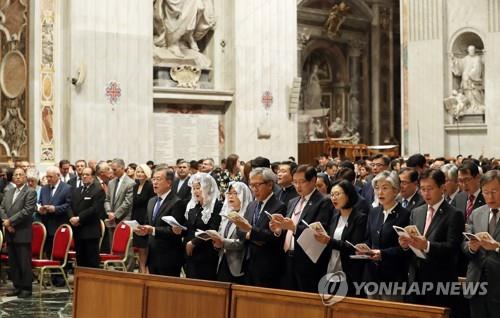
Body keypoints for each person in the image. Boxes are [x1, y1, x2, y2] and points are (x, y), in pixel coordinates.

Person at [398, 169, 464, 315]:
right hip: (416, 278)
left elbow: (452, 248)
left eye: (430, 189)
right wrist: (405, 245)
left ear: (442, 188)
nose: (426, 193)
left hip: (440, 280)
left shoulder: (454, 214)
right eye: (423, 189)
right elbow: (412, 247)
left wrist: (427, 245)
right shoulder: (417, 212)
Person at [270, 165, 334, 292]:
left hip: (308, 261)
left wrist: (294, 228)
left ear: (313, 181)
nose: (298, 186)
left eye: (302, 182)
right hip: (287, 257)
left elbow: (320, 232)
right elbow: (287, 229)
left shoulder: (323, 201)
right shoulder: (293, 201)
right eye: (295, 182)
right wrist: (278, 230)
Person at [232, 167, 286, 288]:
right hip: (247, 260)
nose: (254, 189)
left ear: (270, 184)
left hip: (267, 265)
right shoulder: (252, 205)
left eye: (257, 185)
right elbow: (239, 230)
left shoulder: (279, 206)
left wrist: (249, 230)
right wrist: (250, 233)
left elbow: (272, 237)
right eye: (251, 185)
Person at [313, 180, 366, 296]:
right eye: (331, 194)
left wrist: (329, 241)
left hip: (349, 272)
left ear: (348, 195)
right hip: (330, 269)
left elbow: (354, 247)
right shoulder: (335, 216)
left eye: (337, 194)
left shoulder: (360, 218)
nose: (333, 198)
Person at [363, 171, 410, 301]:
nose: (380, 192)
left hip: (393, 276)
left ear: (395, 191)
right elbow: (368, 239)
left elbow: (405, 248)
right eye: (377, 188)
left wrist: (383, 253)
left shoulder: (405, 215)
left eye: (385, 188)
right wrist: (364, 248)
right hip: (371, 275)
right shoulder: (374, 212)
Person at [135, 167, 187, 276]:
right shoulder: (152, 201)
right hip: (152, 254)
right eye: (153, 179)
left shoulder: (177, 202)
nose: (154, 182)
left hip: (169, 257)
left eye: (158, 179)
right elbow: (147, 223)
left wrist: (152, 230)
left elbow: (175, 231)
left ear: (169, 182)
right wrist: (142, 230)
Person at [463, 170, 500, 318]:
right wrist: (471, 247)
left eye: (495, 191)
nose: (490, 196)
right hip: (476, 284)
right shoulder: (476, 213)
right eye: (486, 192)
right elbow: (464, 244)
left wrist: (497, 246)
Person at [0, 168, 37, 298]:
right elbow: (2, 207)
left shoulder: (30, 192)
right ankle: (17, 286)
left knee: (23, 262)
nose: (18, 177)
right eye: (16, 175)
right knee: (13, 262)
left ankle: (26, 288)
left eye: (21, 175)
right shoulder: (8, 191)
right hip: (10, 231)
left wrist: (10, 222)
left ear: (25, 177)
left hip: (22, 231)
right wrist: (6, 221)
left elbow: (27, 211)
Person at [183, 173, 222, 280]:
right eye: (194, 188)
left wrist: (194, 242)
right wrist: (179, 229)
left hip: (206, 252)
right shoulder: (193, 205)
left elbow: (213, 229)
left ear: (207, 188)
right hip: (191, 253)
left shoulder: (217, 206)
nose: (195, 191)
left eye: (198, 188)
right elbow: (189, 226)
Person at [213, 182, 253, 283]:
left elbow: (243, 242)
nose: (231, 196)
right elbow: (221, 234)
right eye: (229, 193)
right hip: (222, 260)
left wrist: (223, 242)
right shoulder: (227, 214)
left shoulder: (246, 216)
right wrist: (216, 243)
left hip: (238, 265)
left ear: (242, 195)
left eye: (235, 193)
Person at [68, 167, 105, 268]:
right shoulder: (76, 190)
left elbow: (94, 209)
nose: (84, 176)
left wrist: (79, 218)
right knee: (80, 260)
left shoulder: (98, 190)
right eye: (83, 175)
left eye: (87, 175)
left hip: (90, 230)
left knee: (91, 261)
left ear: (93, 177)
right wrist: (71, 217)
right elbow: (70, 205)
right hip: (78, 229)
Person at [37, 166, 71, 259]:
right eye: (47, 176)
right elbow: (39, 202)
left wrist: (55, 208)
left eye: (50, 177)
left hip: (59, 224)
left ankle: (61, 271)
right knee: (48, 251)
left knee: (60, 253)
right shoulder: (44, 188)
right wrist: (40, 208)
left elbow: (69, 205)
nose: (48, 179)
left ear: (58, 176)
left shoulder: (67, 188)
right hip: (46, 224)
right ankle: (51, 271)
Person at [131, 164, 155, 273]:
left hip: (145, 219)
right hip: (136, 218)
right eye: (138, 171)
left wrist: (146, 221)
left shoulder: (150, 186)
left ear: (146, 173)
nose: (140, 174)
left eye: (142, 172)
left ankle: (145, 272)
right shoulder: (135, 186)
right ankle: (141, 271)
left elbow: (150, 205)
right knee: (140, 249)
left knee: (145, 248)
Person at [451, 45, 484, 110]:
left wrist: (470, 75)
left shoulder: (477, 58)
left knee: (474, 91)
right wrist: (454, 59)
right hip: (465, 78)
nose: (471, 51)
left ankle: (476, 105)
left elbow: (477, 68)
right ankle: (471, 106)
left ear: (474, 50)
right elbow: (460, 63)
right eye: (470, 50)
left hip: (473, 79)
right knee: (467, 92)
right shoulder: (466, 58)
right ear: (468, 51)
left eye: (472, 50)